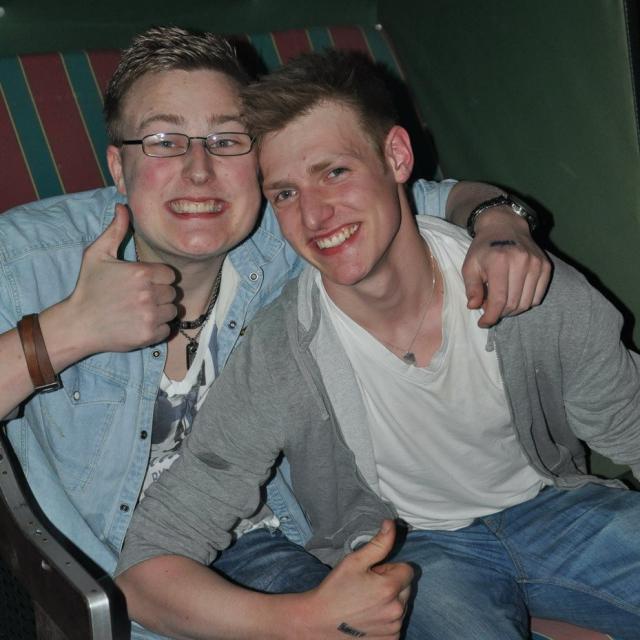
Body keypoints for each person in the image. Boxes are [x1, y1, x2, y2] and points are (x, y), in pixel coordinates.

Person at [0, 27, 549, 639]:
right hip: (104, 582)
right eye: (164, 141)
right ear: (118, 169)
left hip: (278, 537)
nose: (200, 170)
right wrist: (66, 331)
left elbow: (437, 198)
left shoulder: (294, 229)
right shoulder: (29, 260)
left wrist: (502, 226)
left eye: (227, 140)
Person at [114, 49, 640, 640]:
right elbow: (147, 564)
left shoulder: (523, 287)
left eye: (334, 172)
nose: (315, 215)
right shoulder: (282, 353)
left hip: (556, 511)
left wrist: (501, 218)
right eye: (285, 193)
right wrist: (303, 619)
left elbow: (629, 422)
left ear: (396, 157)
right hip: (413, 550)